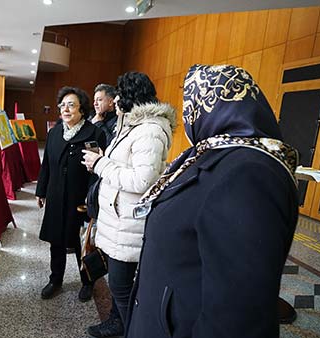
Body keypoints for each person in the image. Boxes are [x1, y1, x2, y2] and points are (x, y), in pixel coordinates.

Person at [126, 64, 299, 338]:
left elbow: (238, 315)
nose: (186, 114)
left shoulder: (249, 171)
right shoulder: (209, 154)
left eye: (190, 102)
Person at [82, 72, 175, 337]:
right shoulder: (133, 125)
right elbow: (127, 164)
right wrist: (103, 160)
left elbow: (141, 180)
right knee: (118, 284)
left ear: (132, 96)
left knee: (122, 287)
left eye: (121, 94)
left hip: (129, 223)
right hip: (119, 219)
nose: (117, 99)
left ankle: (132, 331)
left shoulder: (150, 130)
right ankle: (118, 322)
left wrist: (100, 164)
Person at [36, 86, 106, 302]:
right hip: (56, 195)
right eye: (63, 105)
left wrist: (92, 199)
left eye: (71, 105)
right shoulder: (55, 132)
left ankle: (87, 282)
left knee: (80, 242)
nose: (65, 109)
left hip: (80, 198)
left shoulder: (94, 134)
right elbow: (46, 164)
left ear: (82, 110)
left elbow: (98, 170)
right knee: (56, 239)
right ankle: (55, 279)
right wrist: (41, 190)